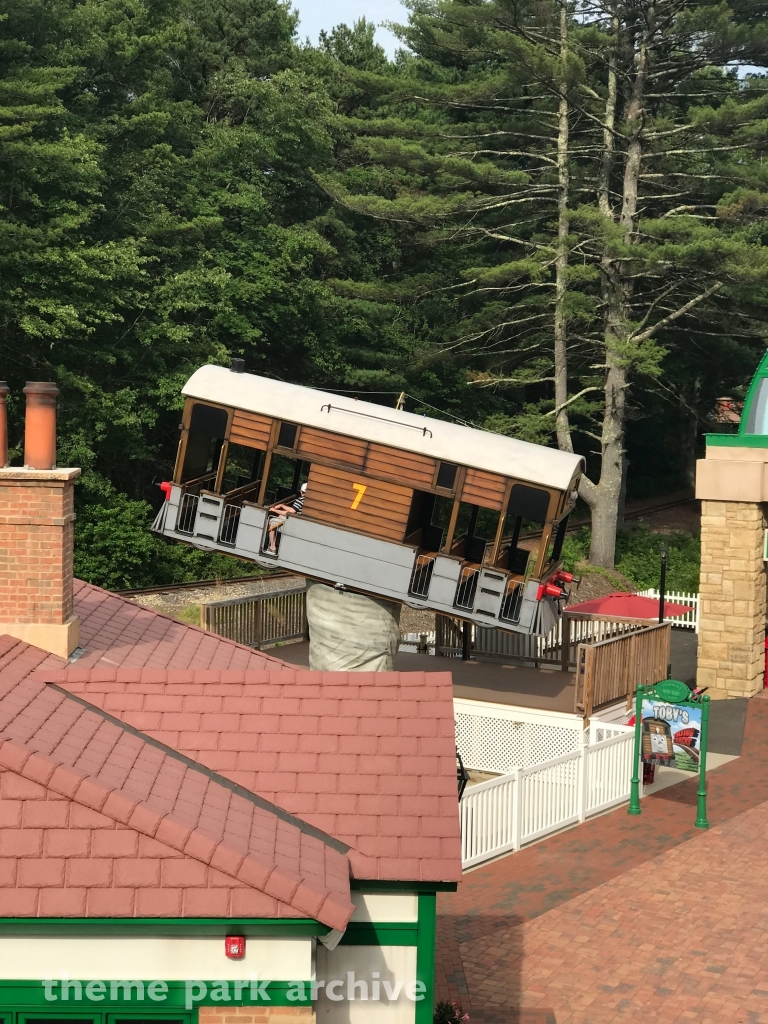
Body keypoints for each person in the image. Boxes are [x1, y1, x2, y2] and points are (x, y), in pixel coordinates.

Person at [266, 482, 306, 553]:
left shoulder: (300, 500)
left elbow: (290, 512)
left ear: (300, 491)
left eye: (303, 492)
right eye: (303, 492)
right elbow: (293, 509)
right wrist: (282, 505)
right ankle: (275, 543)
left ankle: (272, 547)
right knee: (280, 517)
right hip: (297, 520)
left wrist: (274, 510)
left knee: (272, 521)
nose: (303, 494)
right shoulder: (305, 501)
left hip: (293, 521)